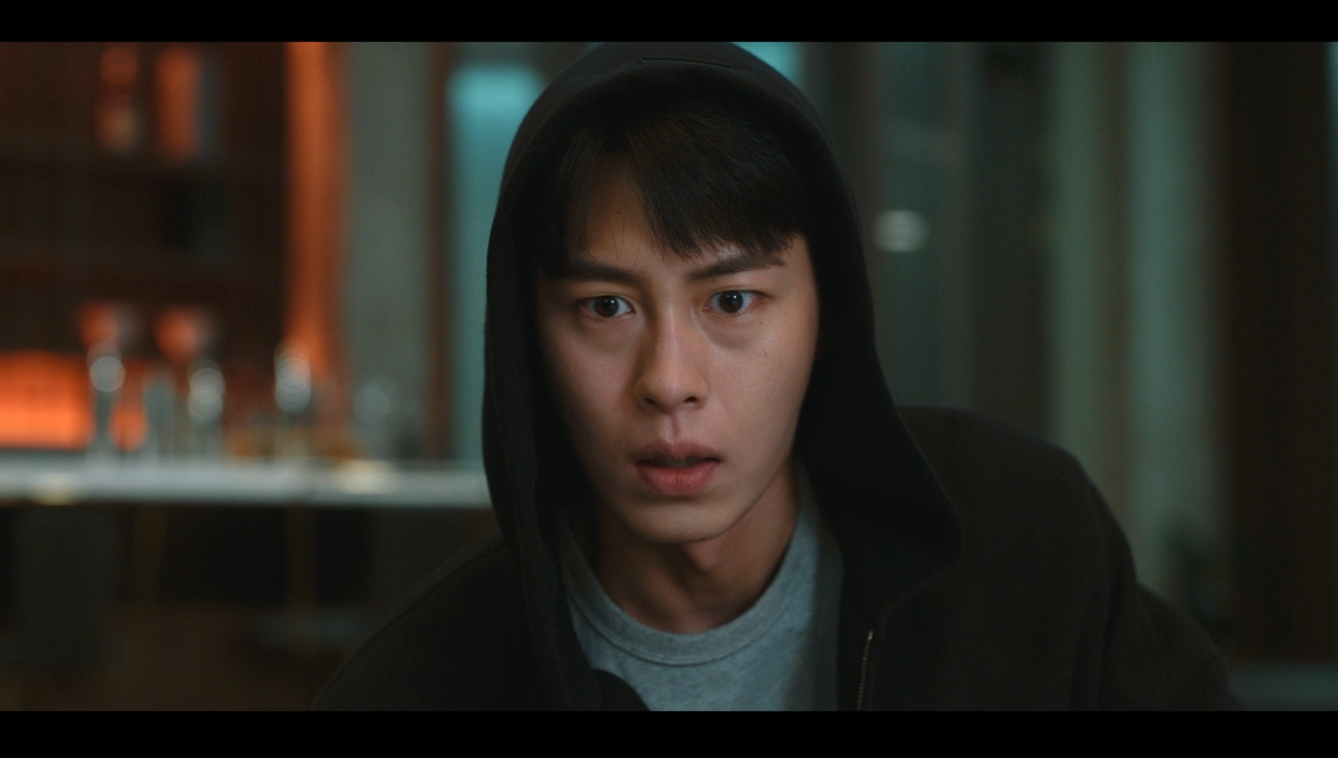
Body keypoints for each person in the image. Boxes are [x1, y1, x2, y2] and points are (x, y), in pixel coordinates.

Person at [317, 42, 1237, 710]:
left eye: (733, 301)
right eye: (605, 308)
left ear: (827, 314)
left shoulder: (1023, 539)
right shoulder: (422, 682)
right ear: (529, 340)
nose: (669, 381)